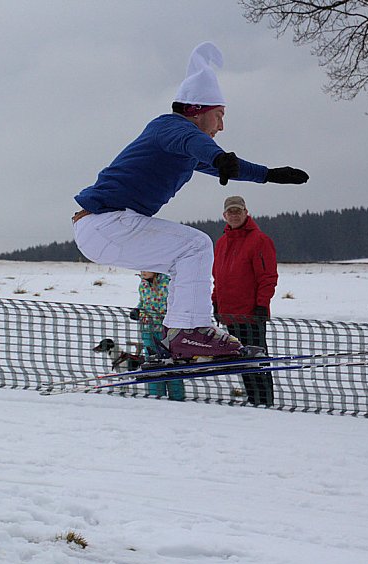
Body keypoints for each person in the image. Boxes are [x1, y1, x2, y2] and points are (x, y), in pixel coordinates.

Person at [72, 41, 308, 360]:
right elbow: (196, 144)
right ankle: (187, 334)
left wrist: (270, 174)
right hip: (107, 223)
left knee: (183, 259)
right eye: (219, 116)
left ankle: (181, 334)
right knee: (195, 245)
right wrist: (219, 157)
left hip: (106, 228)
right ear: (197, 111)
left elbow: (221, 162)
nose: (222, 126)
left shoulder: (185, 148)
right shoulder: (170, 128)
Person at [212, 195, 277, 406]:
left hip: (251, 314)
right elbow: (218, 277)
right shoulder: (221, 243)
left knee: (257, 360)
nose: (234, 215)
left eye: (238, 211)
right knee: (241, 359)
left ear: (246, 212)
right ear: (224, 215)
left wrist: (261, 304)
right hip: (229, 314)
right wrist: (215, 302)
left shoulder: (260, 240)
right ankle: (253, 399)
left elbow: (267, 277)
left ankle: (265, 401)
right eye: (230, 211)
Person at [129, 272, 185, 400]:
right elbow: (143, 302)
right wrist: (138, 310)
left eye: (147, 269)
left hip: (168, 332)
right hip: (148, 330)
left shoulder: (168, 283)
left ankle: (177, 397)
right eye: (142, 269)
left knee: (171, 363)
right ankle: (156, 396)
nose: (143, 272)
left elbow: (174, 304)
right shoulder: (143, 284)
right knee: (152, 363)